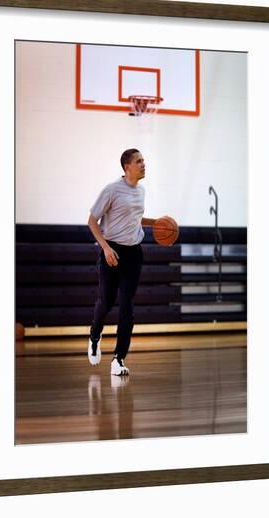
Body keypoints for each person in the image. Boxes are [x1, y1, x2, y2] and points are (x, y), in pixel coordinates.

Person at [87, 149, 156, 376]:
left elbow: (135, 218)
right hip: (112, 251)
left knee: (127, 305)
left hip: (133, 253)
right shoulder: (112, 190)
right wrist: (105, 248)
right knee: (106, 302)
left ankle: (119, 359)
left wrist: (159, 222)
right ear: (127, 167)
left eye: (143, 160)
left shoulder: (141, 191)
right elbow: (92, 221)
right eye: (139, 161)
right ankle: (95, 335)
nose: (143, 164)